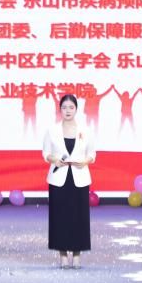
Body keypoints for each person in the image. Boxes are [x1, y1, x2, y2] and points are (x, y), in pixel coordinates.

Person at [43, 93, 95, 269]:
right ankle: (63, 255)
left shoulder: (85, 130)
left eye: (71, 107)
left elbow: (92, 154)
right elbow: (45, 153)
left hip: (79, 177)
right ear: (60, 110)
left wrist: (85, 162)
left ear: (76, 110)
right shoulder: (52, 130)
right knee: (60, 217)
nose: (67, 111)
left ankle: (78, 255)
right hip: (59, 178)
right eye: (64, 107)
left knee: (79, 217)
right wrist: (54, 160)